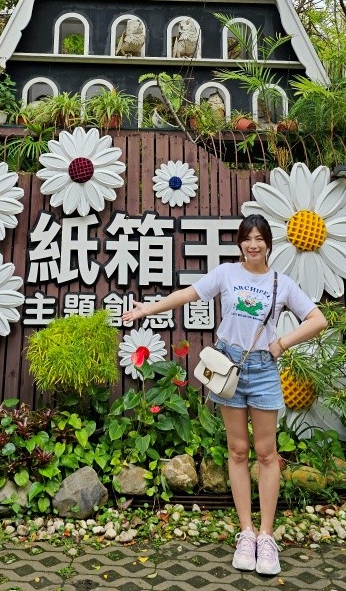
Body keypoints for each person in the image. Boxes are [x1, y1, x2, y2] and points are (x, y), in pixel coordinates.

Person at [121, 213, 327, 576]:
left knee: (266, 453)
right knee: (237, 450)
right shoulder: (227, 273)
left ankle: (266, 537)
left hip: (263, 370)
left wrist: (282, 342)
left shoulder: (281, 282)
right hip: (226, 367)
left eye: (259, 238)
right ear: (239, 243)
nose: (253, 244)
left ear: (268, 243)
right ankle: (245, 532)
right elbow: (188, 294)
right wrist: (147, 308)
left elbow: (317, 320)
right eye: (247, 238)